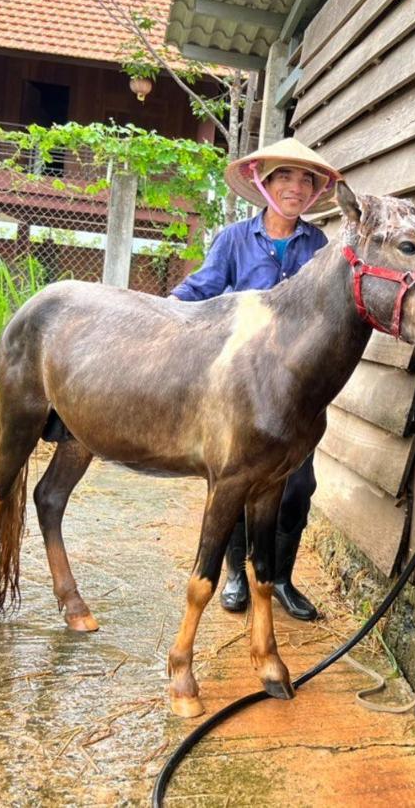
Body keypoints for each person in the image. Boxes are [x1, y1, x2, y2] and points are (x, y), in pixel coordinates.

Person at [169, 138, 342, 621]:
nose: (296, 187)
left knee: (296, 485)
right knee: (237, 482)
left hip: (297, 386)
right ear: (264, 184)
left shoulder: (319, 246)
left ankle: (280, 578)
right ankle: (235, 575)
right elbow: (203, 287)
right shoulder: (233, 240)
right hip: (242, 386)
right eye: (285, 176)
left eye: (306, 179)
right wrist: (161, 313)